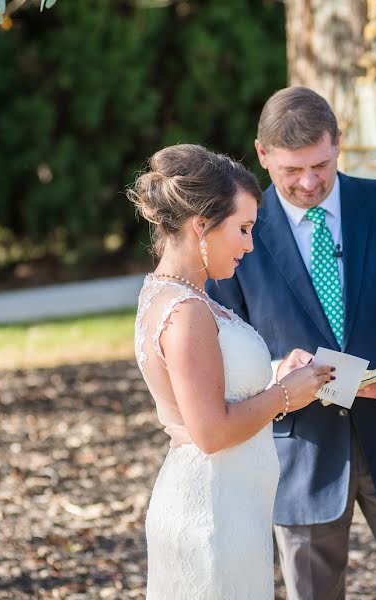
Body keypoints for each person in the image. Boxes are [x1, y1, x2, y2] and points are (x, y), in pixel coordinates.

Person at [208, 87, 376, 600]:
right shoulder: (238, 233)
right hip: (300, 457)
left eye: (320, 165)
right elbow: (224, 350)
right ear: (261, 155)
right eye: (290, 171)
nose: (308, 182)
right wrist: (277, 371)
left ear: (338, 142)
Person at [128, 143, 334, 599]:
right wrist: (285, 395)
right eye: (242, 229)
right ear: (201, 225)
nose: (249, 244)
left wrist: (280, 371)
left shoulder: (178, 295)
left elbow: (211, 390)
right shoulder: (187, 311)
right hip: (210, 517)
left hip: (231, 507)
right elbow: (211, 432)